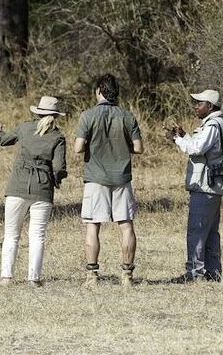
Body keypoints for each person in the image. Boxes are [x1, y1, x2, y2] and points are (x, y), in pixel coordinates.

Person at [74, 73, 143, 287]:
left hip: (95, 178)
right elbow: (139, 148)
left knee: (93, 226)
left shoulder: (87, 116)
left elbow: (77, 147)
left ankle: (92, 275)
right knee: (126, 225)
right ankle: (127, 275)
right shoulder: (127, 116)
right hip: (121, 177)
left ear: (99, 92)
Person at [0, 96, 68, 288]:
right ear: (56, 116)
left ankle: (6, 278)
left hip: (17, 185)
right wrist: (54, 181)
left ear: (38, 112)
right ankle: (33, 278)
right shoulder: (58, 137)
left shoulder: (25, 128)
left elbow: (2, 140)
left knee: (11, 234)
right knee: (37, 236)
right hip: (42, 189)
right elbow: (59, 168)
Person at [166, 89, 223, 283]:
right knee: (210, 232)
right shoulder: (215, 124)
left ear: (210, 106)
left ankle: (194, 273)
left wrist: (177, 140)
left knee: (197, 230)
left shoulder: (212, 125)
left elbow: (196, 149)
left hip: (205, 186)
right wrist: (185, 135)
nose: (196, 106)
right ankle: (213, 273)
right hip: (212, 186)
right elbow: (200, 146)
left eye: (200, 103)